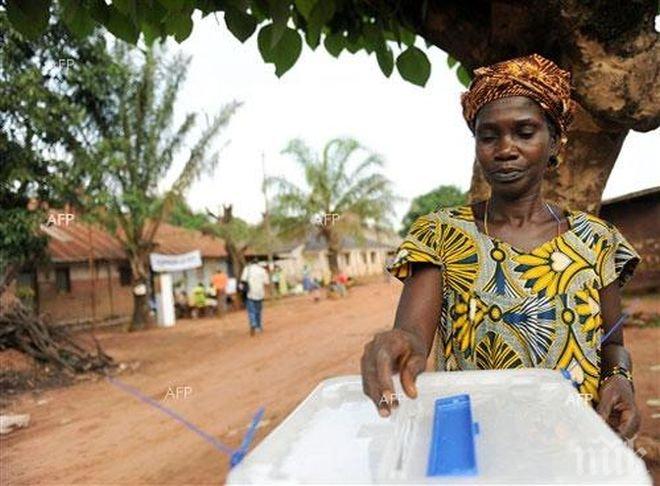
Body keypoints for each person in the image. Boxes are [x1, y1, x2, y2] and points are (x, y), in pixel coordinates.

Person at [360, 54, 641, 441]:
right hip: (477, 444)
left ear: (555, 139)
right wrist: (397, 342)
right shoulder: (441, 234)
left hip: (576, 443)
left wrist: (620, 379)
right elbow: (412, 334)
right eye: (489, 135)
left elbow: (612, 345)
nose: (505, 148)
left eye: (524, 132)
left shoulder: (597, 240)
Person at [240, 259, 270, 336]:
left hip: (250, 293)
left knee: (251, 311)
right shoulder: (262, 270)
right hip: (259, 293)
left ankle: (253, 323)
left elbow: (243, 280)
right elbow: (266, 282)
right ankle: (258, 326)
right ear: (258, 263)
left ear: (251, 263)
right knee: (258, 311)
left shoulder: (247, 269)